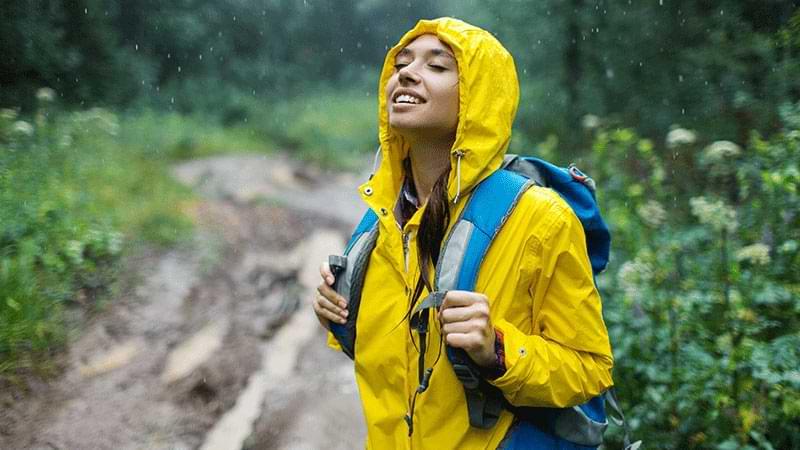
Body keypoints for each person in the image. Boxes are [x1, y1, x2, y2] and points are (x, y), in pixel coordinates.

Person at [313, 17, 614, 449]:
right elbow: (394, 369)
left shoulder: (539, 218)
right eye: (401, 64)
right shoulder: (381, 223)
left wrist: (496, 349)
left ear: (479, 100)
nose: (407, 73)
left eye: (437, 67)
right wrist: (340, 316)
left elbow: (590, 369)